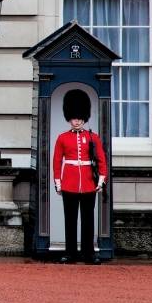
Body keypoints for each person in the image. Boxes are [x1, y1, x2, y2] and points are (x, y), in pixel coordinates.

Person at [53, 89, 108, 265]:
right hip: (69, 183)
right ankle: (70, 253)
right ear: (69, 118)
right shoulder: (62, 138)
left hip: (88, 183)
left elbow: (101, 159)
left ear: (84, 118)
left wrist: (101, 179)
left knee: (88, 220)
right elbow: (56, 162)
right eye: (73, 118)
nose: (76, 121)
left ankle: (88, 253)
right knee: (70, 220)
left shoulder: (93, 137)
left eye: (79, 118)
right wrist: (58, 182)